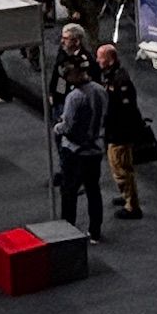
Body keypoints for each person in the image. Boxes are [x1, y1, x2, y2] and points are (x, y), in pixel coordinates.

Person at [54, 66, 108, 243]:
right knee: (93, 190)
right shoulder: (100, 89)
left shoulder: (75, 97)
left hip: (76, 151)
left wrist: (57, 127)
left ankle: (68, 232)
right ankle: (95, 231)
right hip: (96, 148)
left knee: (69, 191)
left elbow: (67, 126)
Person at [97, 43, 144, 218]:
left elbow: (125, 109)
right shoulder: (111, 75)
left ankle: (132, 206)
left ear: (110, 60)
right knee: (120, 165)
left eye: (101, 58)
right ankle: (126, 195)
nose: (98, 61)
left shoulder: (120, 80)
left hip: (120, 132)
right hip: (114, 130)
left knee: (121, 167)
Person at [48, 21, 96, 103]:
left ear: (76, 41)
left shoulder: (86, 60)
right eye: (62, 38)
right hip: (60, 96)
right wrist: (52, 92)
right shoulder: (63, 52)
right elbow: (57, 73)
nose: (62, 41)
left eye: (66, 38)